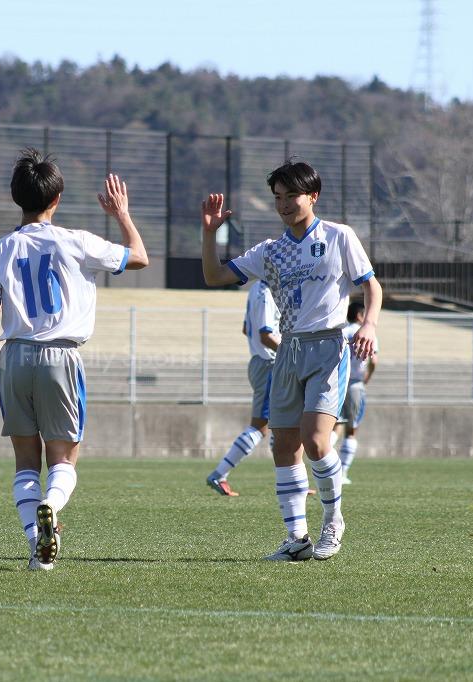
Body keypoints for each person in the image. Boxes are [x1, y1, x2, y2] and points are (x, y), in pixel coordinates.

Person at [0, 149, 149, 570]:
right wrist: (121, 214)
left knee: (26, 460)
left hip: (14, 357)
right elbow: (138, 257)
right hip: (60, 355)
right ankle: (52, 507)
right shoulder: (77, 241)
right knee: (63, 458)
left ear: (15, 198)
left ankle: (37, 548)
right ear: (56, 198)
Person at [200, 160, 382, 562]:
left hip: (328, 347)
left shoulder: (338, 236)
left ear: (312, 196)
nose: (283, 204)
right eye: (278, 197)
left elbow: (371, 285)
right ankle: (296, 538)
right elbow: (214, 276)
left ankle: (333, 521)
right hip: (288, 351)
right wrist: (210, 233)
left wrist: (368, 324)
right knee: (283, 445)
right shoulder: (270, 251)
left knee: (316, 441)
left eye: (292, 196)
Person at [206, 280, 280, 496]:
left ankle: (290, 479)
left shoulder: (256, 288)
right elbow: (266, 335)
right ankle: (219, 474)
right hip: (269, 364)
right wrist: (291, 352)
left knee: (282, 424)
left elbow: (246, 329)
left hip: (262, 362)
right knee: (260, 427)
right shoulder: (266, 293)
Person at [335, 300, 378, 484]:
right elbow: (373, 360)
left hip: (338, 383)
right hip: (355, 384)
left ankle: (322, 461)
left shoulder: (342, 332)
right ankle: (342, 473)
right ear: (360, 315)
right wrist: (367, 377)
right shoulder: (367, 332)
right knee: (351, 430)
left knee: (334, 425)